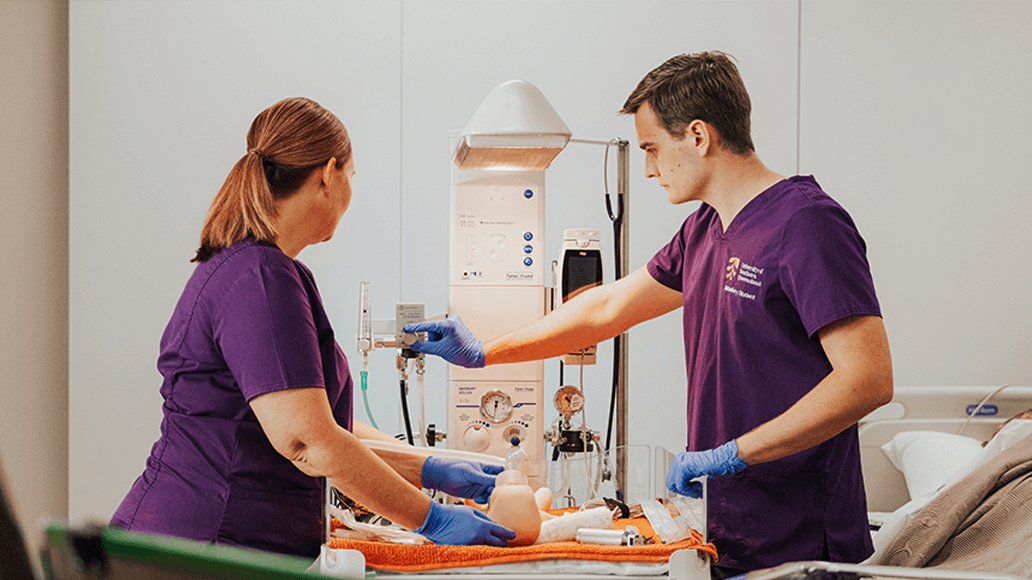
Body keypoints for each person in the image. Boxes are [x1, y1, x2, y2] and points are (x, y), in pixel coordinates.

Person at [405, 52, 893, 575]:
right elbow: (606, 307)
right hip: (728, 535)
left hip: (801, 545)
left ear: (699, 137)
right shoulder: (704, 229)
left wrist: (733, 454)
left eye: (653, 148)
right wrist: (485, 352)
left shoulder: (806, 223)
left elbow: (867, 379)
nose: (649, 169)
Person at [111, 97, 515, 559]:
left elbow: (319, 426)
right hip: (204, 544)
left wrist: (429, 468)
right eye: (352, 176)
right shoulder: (260, 279)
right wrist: (431, 518)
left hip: (213, 540)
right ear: (328, 174)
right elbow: (309, 443)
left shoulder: (262, 270)